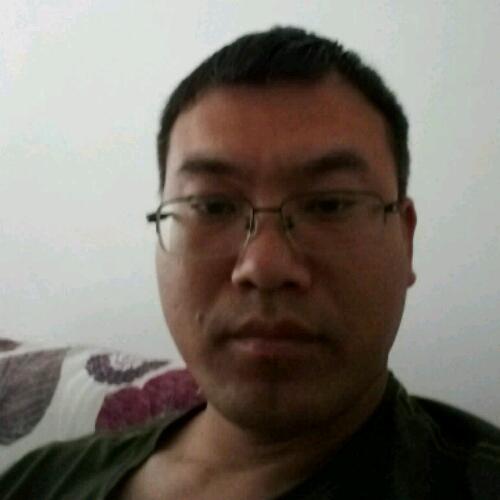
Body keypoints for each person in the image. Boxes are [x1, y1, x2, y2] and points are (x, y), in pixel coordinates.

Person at [1, 26, 499, 500]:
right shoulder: (42, 478)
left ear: (406, 240)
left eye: (329, 205)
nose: (264, 266)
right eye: (212, 207)